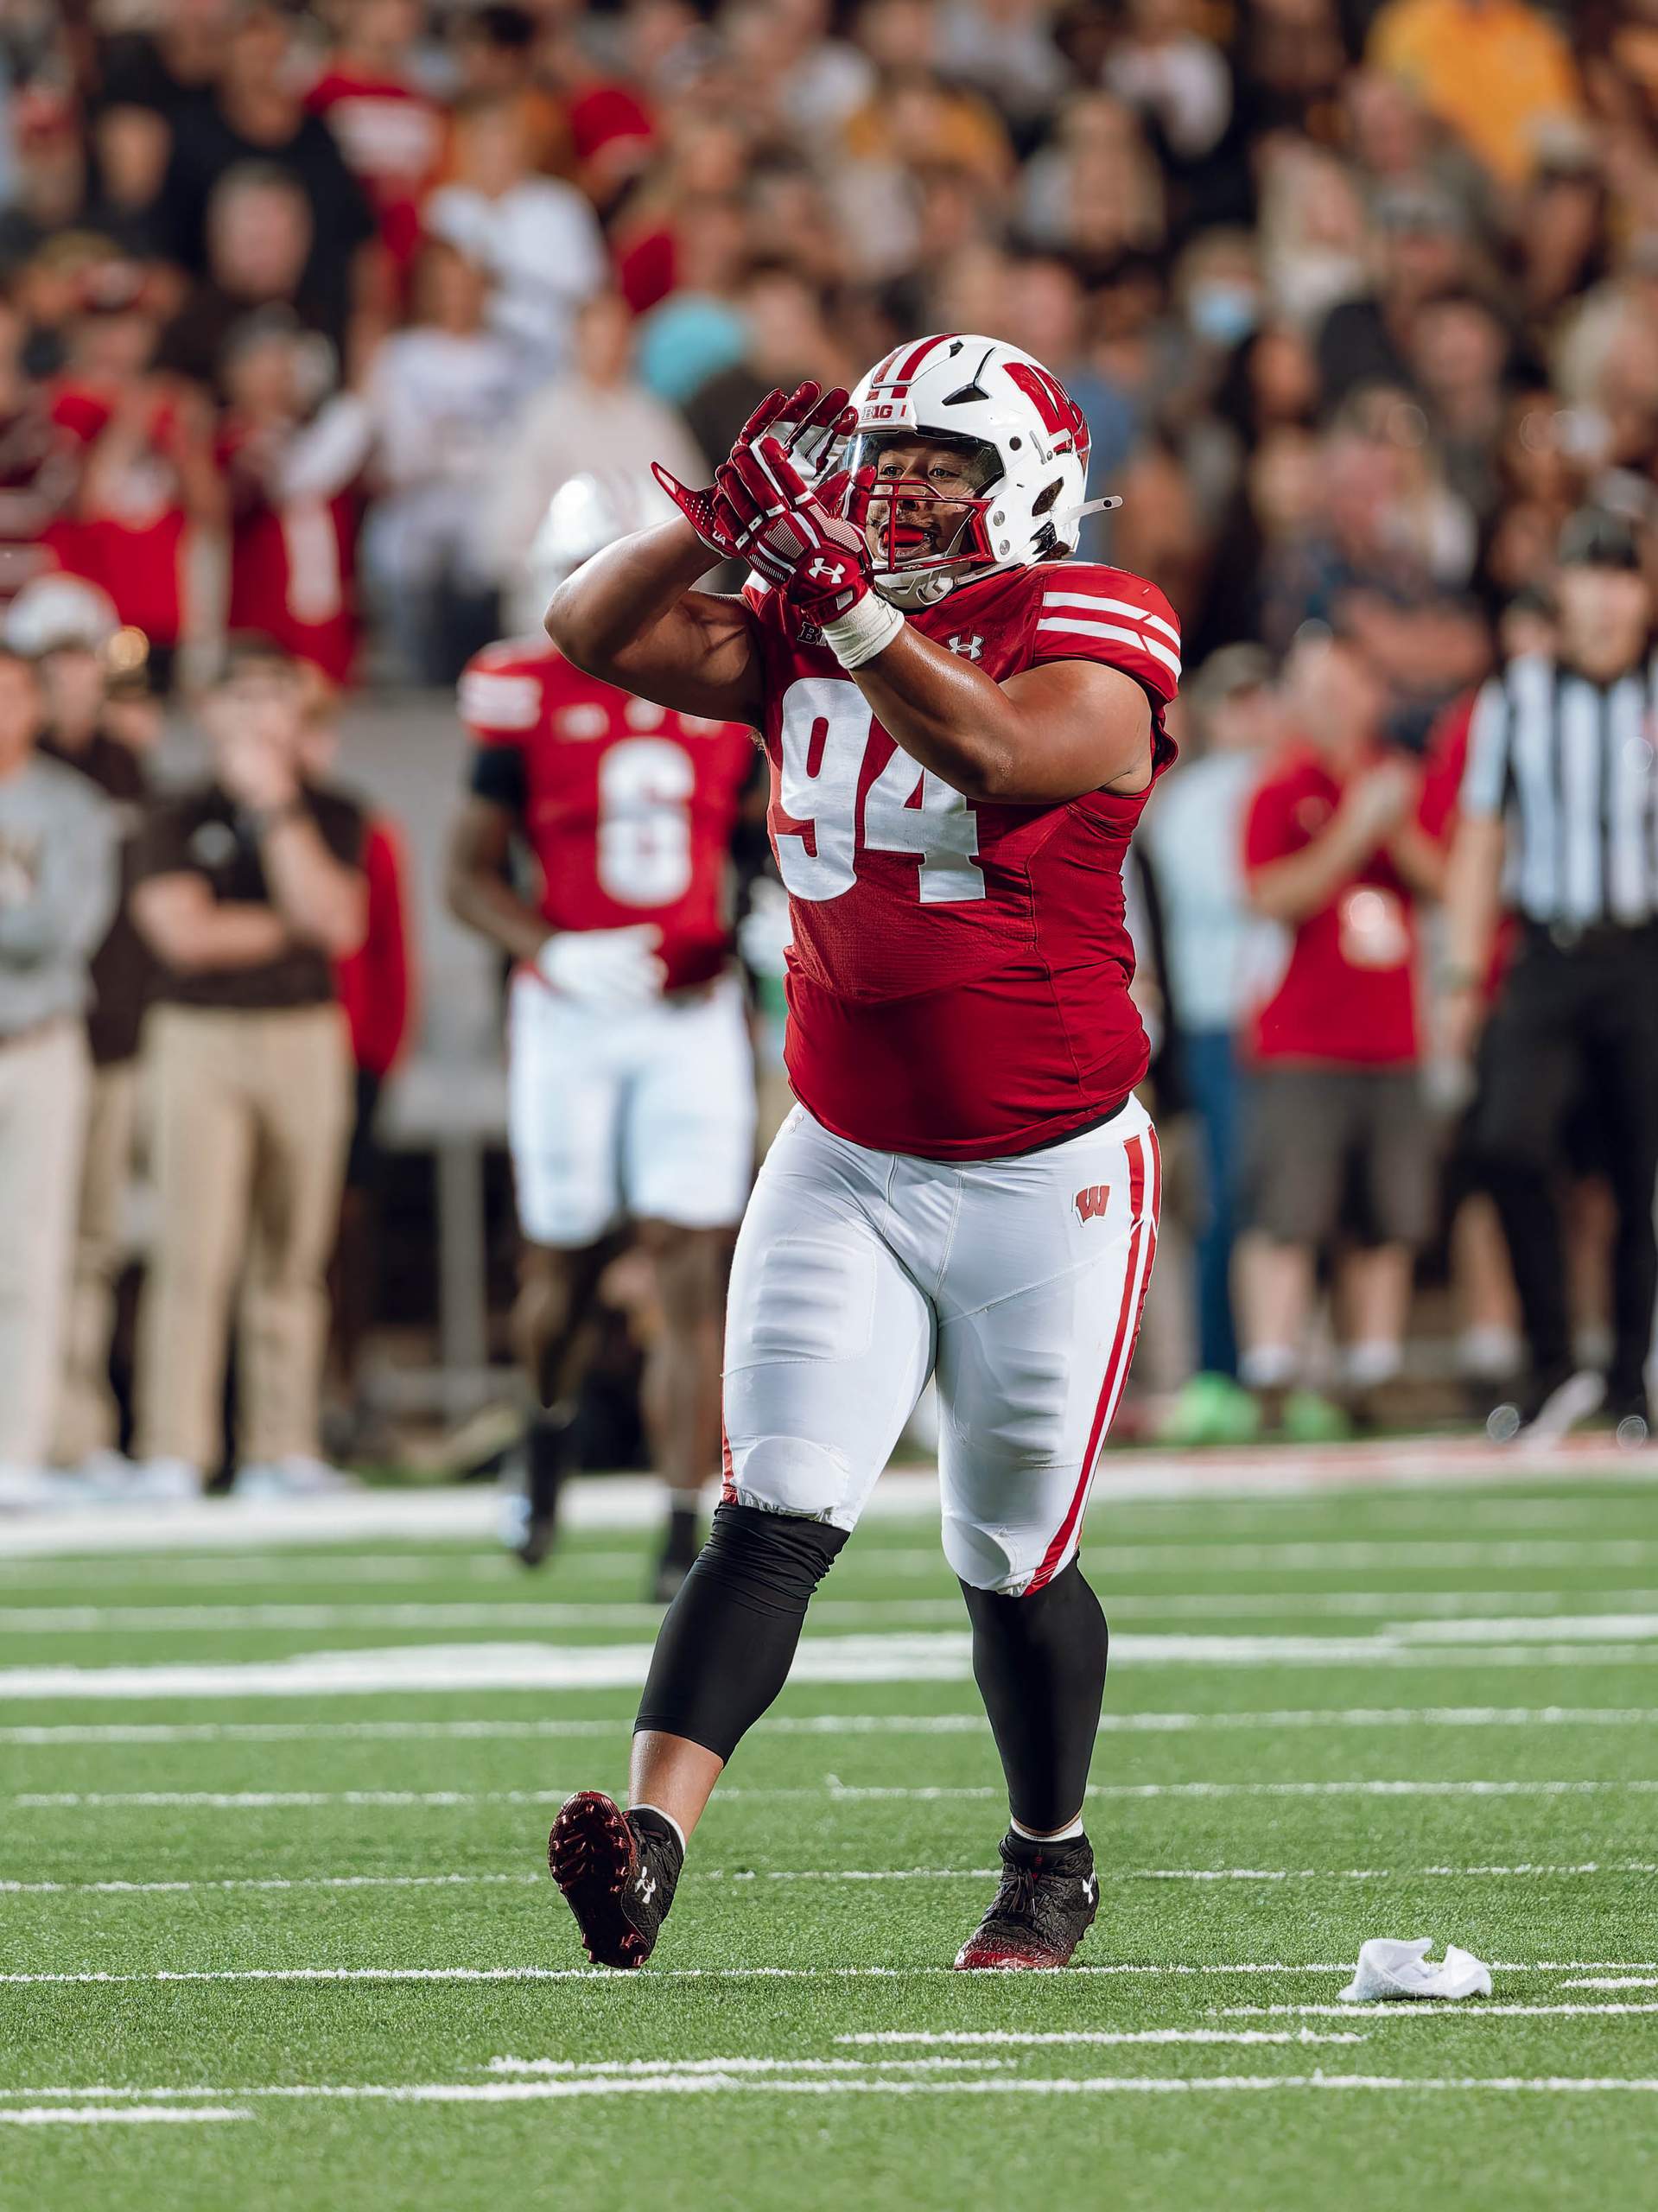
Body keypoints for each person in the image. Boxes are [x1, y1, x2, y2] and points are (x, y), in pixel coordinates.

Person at [541, 340, 1180, 1974]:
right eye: (879, 458)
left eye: (938, 466)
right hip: (840, 1150)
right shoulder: (807, 620)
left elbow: (999, 755)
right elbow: (586, 631)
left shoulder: (1097, 619)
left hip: (1048, 1171)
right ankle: (651, 1845)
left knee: (1009, 1551)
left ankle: (1047, 1861)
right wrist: (707, 524)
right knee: (770, 1509)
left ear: (1024, 485)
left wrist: (838, 600)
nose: (897, 489)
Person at [447, 475, 759, 1594]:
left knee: (688, 1264)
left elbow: (758, 850)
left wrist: (768, 921)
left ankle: (682, 1527)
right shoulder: (518, 689)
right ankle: (544, 1429)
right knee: (565, 1263)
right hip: (571, 1010)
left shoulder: (723, 678)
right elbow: (465, 877)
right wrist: (551, 948)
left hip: (689, 1010)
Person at [129, 638, 367, 1496]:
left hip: (305, 1034)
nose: (259, 715)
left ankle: (282, 1443)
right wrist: (284, 926)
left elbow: (336, 924)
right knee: (192, 1248)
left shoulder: (331, 811)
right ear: (211, 710)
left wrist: (275, 814)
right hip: (196, 1036)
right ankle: (174, 1447)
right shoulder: (170, 811)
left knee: (292, 1251)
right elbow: (184, 938)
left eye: (275, 697)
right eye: (242, 697)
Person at [1444, 508, 1658, 1444]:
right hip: (1545, 952)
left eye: (1623, 577)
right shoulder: (1516, 697)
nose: (1607, 598)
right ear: (1559, 589)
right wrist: (1456, 974)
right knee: (1502, 1142)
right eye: (1590, 576)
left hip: (1641, 953)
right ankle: (1549, 1360)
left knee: (1637, 1170)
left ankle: (1626, 1382)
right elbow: (1479, 834)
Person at [1237, 628, 1450, 1430]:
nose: (1331, 705)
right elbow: (1268, 895)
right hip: (1301, 1039)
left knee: (1386, 1216)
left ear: (1371, 697)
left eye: (1344, 689)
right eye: (1316, 690)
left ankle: (1373, 1370)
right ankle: (1273, 1372)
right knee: (1288, 1212)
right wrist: (1354, 830)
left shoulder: (1403, 785)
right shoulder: (1277, 787)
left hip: (1392, 1037)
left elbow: (1444, 882)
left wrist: (1388, 825)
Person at [8, 575, 160, 1476]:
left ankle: (58, 1434)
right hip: (54, 1018)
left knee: (74, 1243)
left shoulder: (107, 774)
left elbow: (73, 921)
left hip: (84, 1028)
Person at [1140, 643, 1278, 1423]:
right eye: (1239, 703)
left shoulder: (1263, 785)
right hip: (1213, 1022)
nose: (1253, 717)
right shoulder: (1198, 802)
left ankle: (1258, 1363)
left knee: (1264, 1200)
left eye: (1262, 699)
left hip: (1260, 1021)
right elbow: (1251, 895)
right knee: (1224, 1200)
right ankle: (1218, 1368)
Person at [0, 645, 117, 1490]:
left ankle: (19, 1448)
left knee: (31, 1253)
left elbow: (64, 929)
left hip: (38, 1038)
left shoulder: (70, 803)